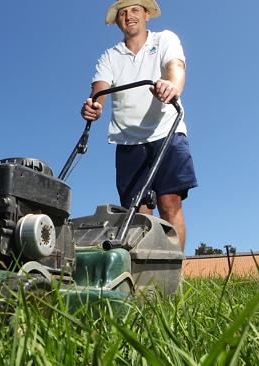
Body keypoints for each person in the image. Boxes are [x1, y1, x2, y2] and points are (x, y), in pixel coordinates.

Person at [80, 0, 197, 249]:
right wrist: (94, 105)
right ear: (118, 21)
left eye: (134, 10)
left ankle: (175, 272)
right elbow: (99, 89)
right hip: (128, 140)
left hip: (167, 132)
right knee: (139, 215)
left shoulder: (164, 39)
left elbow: (175, 67)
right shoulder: (110, 56)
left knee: (169, 202)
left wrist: (172, 86)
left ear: (146, 14)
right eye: (123, 12)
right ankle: (148, 275)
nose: (129, 16)